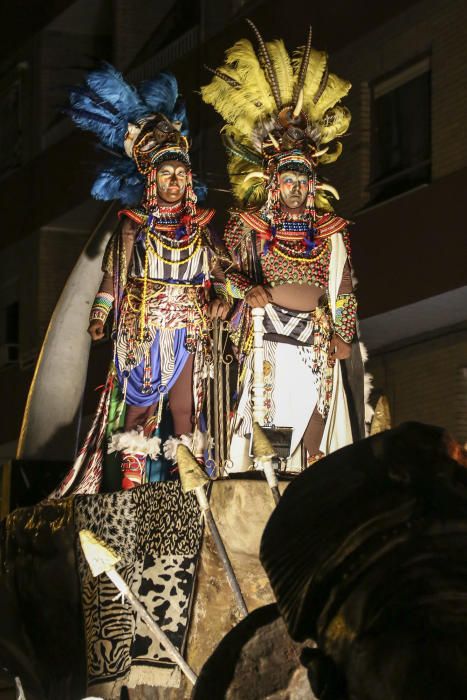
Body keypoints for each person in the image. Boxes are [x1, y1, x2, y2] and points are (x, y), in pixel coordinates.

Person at [52, 66, 230, 495]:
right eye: (166, 173)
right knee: (140, 410)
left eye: (180, 174)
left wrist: (223, 295)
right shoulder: (133, 225)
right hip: (144, 324)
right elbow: (114, 276)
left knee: (187, 411)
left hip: (190, 328)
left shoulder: (205, 226)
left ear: (189, 179)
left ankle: (191, 493)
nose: (174, 181)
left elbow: (222, 275)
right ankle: (133, 493)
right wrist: (101, 314)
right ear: (152, 178)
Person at [201, 24, 362, 471]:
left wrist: (344, 336)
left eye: (302, 181)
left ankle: (312, 511)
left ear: (313, 185)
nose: (294, 188)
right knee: (268, 441)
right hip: (267, 335)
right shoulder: (249, 225)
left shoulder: (331, 230)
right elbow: (220, 273)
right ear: (273, 185)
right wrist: (243, 289)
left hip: (317, 340)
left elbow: (344, 288)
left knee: (317, 437)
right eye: (287, 181)